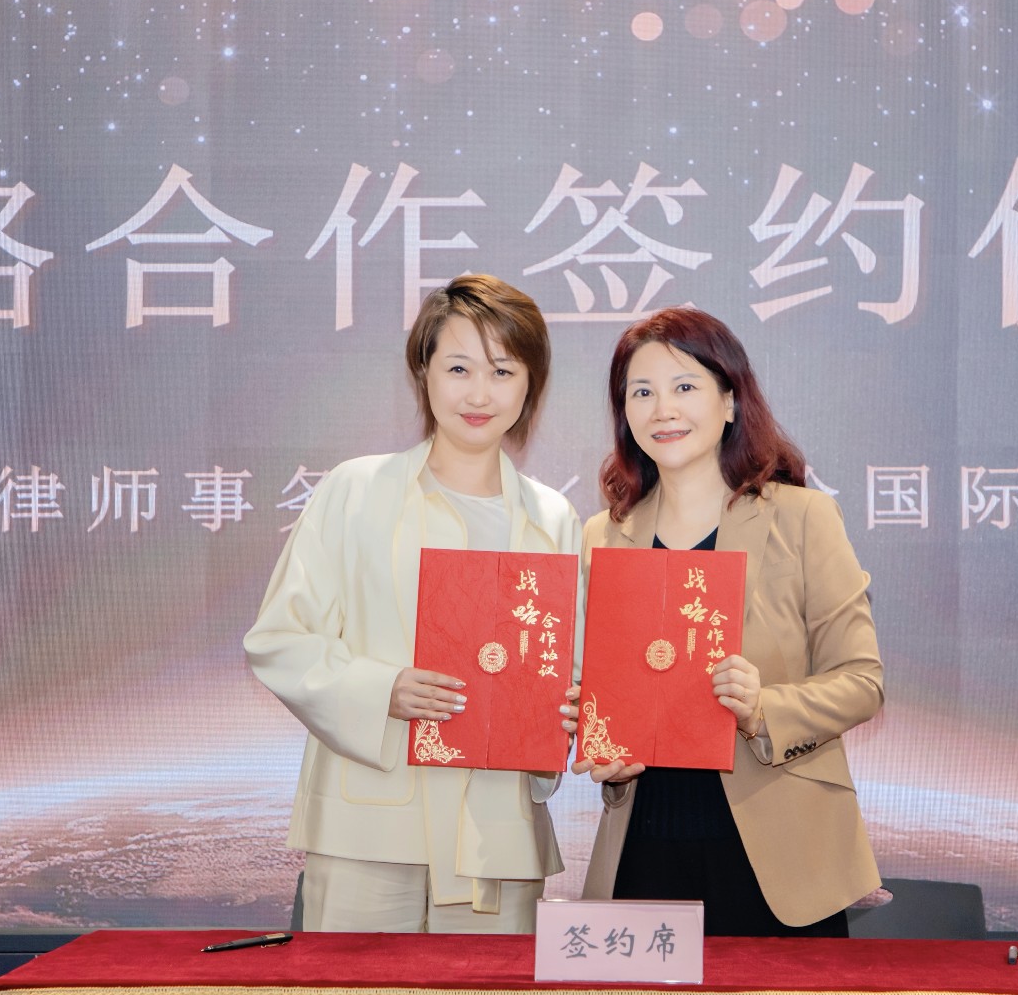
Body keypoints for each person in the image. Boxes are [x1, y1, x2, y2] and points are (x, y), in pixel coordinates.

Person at [244, 275, 580, 934]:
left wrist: (565, 711)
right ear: (423, 372)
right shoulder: (355, 491)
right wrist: (382, 688)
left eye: (502, 371)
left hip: (498, 835)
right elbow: (280, 638)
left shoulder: (553, 518)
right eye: (458, 368)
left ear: (530, 385)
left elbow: (563, 666)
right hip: (368, 821)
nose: (479, 394)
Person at [575, 307, 886, 937]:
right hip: (644, 849)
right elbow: (611, 686)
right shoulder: (603, 536)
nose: (663, 409)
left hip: (781, 859)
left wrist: (762, 708)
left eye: (684, 386)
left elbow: (862, 682)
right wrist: (601, 739)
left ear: (729, 401)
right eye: (642, 392)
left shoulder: (802, 518)